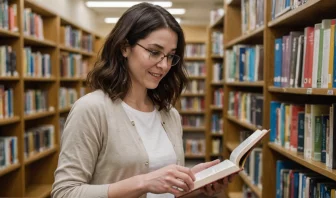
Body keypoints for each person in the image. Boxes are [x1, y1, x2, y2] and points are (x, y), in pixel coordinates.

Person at [51, 2, 233, 198]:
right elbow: (64, 192)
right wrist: (144, 182)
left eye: (171, 56)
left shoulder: (170, 114)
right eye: (154, 52)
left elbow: (163, 193)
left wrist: (194, 187)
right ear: (125, 47)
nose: (164, 65)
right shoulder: (91, 109)